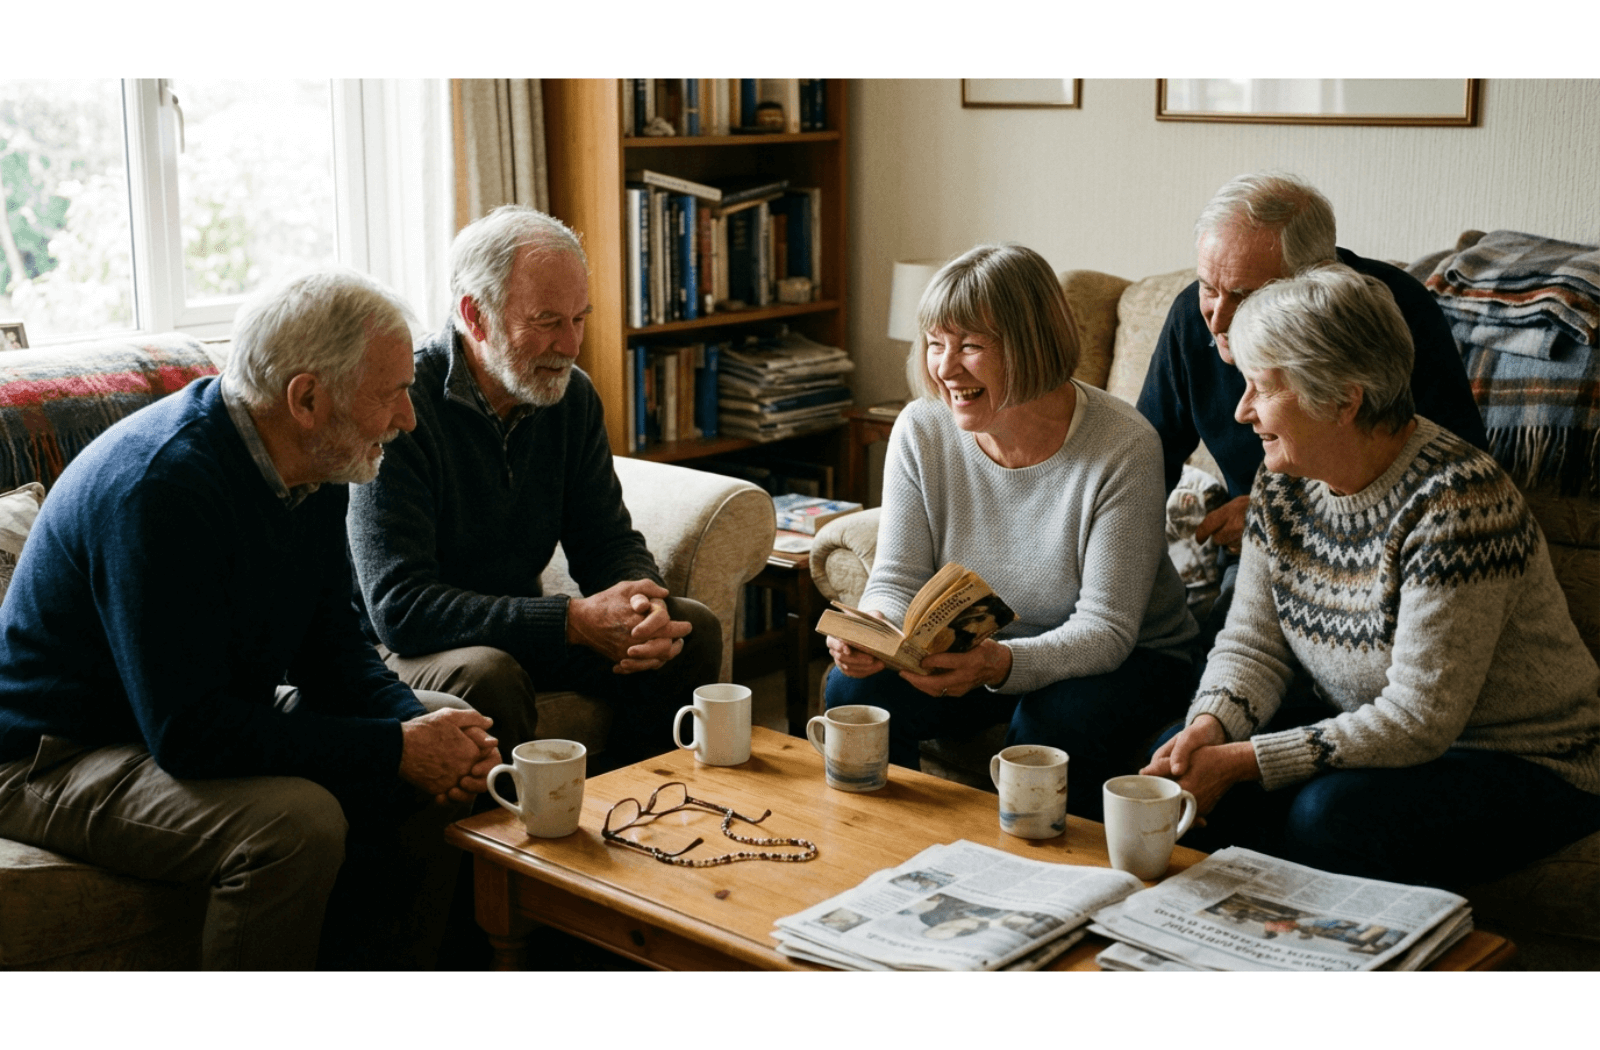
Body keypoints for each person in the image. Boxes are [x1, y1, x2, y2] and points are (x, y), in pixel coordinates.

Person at [0, 270, 500, 970]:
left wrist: (411, 730)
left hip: (181, 714)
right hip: (56, 751)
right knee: (296, 826)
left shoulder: (321, 462)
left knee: (448, 714)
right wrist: (394, 749)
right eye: (392, 393)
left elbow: (333, 647)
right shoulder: (162, 491)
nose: (409, 417)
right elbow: (190, 735)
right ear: (307, 398)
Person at [1143, 265, 1600, 888]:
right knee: (1177, 756)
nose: (1244, 410)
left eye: (1261, 388)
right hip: (1383, 734)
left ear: (1342, 398)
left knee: (1330, 816)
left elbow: (1418, 718)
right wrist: (1210, 727)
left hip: (1525, 757)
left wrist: (1246, 759)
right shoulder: (1281, 481)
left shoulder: (1457, 501)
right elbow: (1253, 643)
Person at [824, 244, 1197, 821]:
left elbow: (1107, 629)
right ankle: (892, 853)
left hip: (1127, 660)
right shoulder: (921, 428)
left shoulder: (1123, 445)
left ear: (1031, 345)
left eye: (971, 346)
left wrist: (1000, 666)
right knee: (853, 694)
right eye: (935, 343)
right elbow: (897, 576)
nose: (945, 369)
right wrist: (874, 628)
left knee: (1049, 724)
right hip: (979, 651)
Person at [347, 205, 719, 770]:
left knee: (691, 632)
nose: (571, 345)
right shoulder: (401, 405)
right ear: (476, 316)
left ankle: (637, 813)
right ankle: (516, 855)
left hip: (515, 630)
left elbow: (605, 537)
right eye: (547, 321)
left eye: (580, 318)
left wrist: (643, 604)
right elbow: (401, 608)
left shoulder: (571, 397)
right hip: (400, 647)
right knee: (487, 675)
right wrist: (572, 622)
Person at [1135, 173, 1487, 661]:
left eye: (1243, 294)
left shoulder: (1388, 315)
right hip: (1259, 545)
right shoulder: (1193, 319)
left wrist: (1271, 515)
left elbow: (1451, 472)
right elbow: (1145, 459)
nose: (1216, 318)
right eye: (1207, 287)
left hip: (1374, 549)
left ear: (1314, 276)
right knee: (1211, 668)